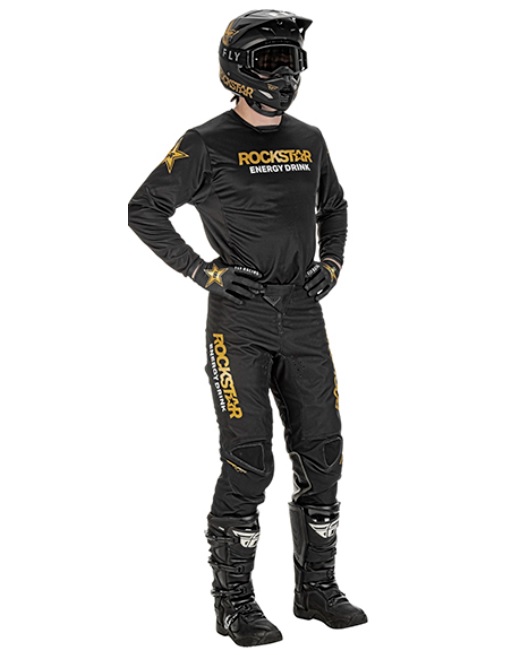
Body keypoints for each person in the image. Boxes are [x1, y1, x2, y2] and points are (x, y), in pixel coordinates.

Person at [128, 9, 367, 647]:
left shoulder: (310, 138)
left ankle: (317, 590)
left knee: (324, 452)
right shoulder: (204, 142)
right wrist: (201, 271)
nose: (284, 74)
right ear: (236, 67)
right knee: (249, 458)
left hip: (305, 314)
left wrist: (333, 261)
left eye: (292, 60)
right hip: (240, 318)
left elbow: (335, 206)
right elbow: (144, 208)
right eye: (270, 61)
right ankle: (234, 603)